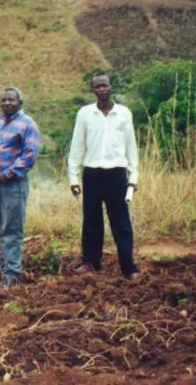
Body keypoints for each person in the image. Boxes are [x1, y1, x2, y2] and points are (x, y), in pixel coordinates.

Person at [67, 73, 140, 279]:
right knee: (91, 221)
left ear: (110, 87)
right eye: (97, 87)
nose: (101, 89)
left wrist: (133, 178)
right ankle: (91, 263)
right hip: (92, 174)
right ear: (93, 90)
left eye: (104, 86)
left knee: (121, 222)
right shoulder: (85, 114)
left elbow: (131, 148)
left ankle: (128, 266)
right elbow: (77, 147)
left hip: (117, 174)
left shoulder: (124, 114)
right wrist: (73, 179)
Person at [0, 87, 40, 288]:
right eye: (3, 100)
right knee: (1, 226)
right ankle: (3, 264)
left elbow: (29, 156)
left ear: (20, 102)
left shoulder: (27, 124)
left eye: (11, 100)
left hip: (14, 183)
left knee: (12, 228)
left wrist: (6, 174)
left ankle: (13, 272)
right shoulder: (1, 123)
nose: (7, 103)